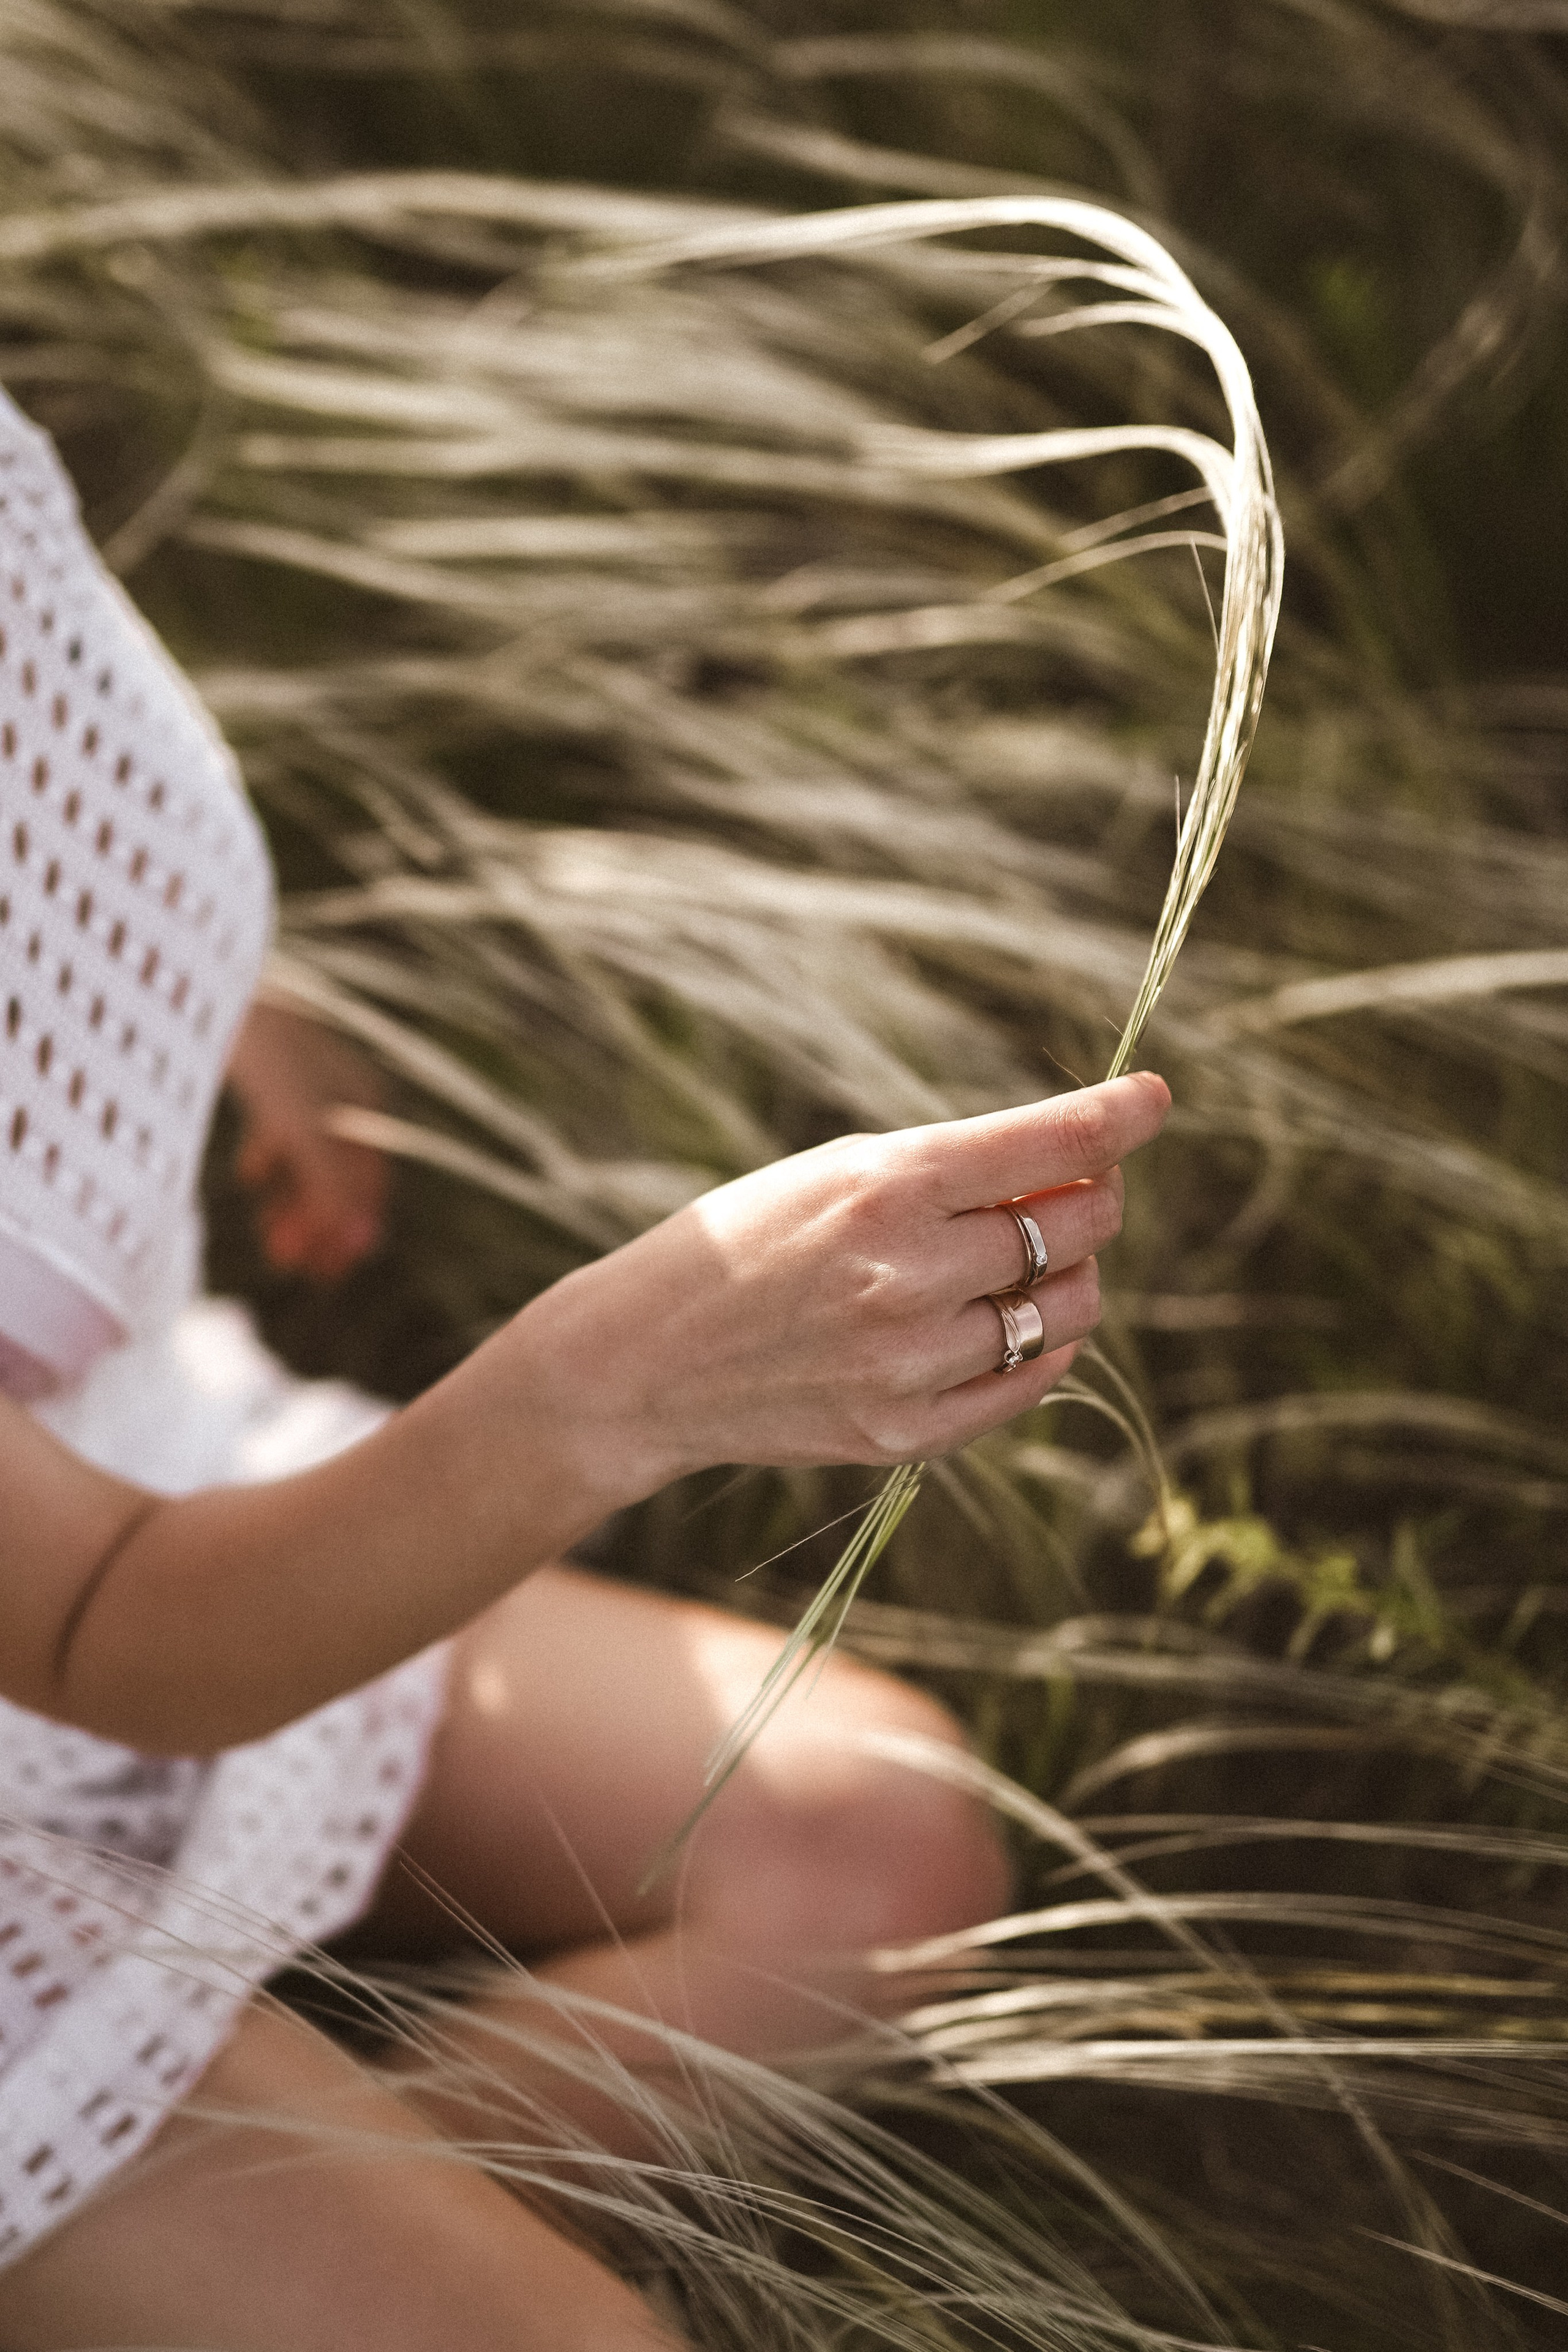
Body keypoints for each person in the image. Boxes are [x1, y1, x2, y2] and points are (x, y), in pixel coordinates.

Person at [0, 383, 1169, 2350]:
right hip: (99, 1592)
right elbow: (122, 1630)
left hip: (85, 1474)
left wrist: (180, 991)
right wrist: (610, 1386)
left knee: (875, 1837)